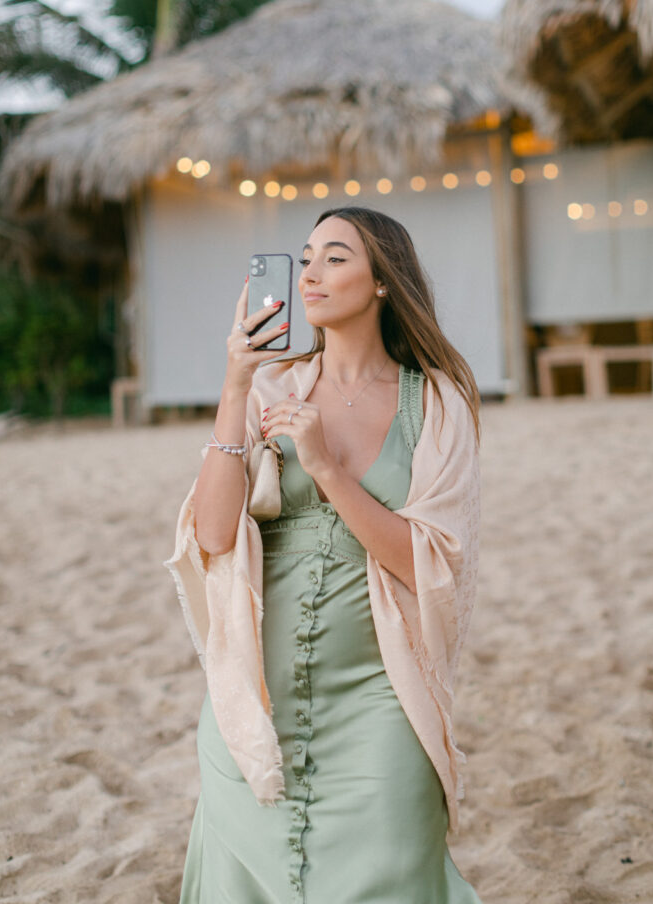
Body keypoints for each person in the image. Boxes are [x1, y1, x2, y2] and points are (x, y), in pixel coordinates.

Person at [163, 205, 483, 903]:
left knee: (393, 869)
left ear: (382, 283)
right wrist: (236, 383)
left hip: (380, 692)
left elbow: (431, 561)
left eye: (335, 257)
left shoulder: (435, 402)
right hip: (256, 693)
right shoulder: (270, 387)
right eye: (304, 256)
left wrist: (326, 468)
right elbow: (214, 537)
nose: (309, 272)